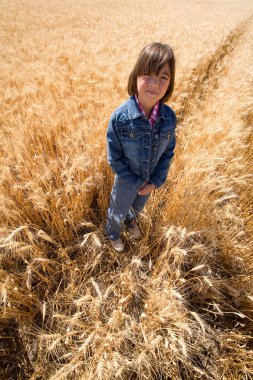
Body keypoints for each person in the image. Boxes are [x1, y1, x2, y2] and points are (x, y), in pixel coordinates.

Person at [105, 42, 177, 252]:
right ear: (135, 76)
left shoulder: (169, 118)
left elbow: (167, 153)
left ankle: (130, 222)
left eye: (163, 77)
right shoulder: (120, 118)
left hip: (149, 181)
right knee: (118, 209)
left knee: (137, 208)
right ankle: (113, 233)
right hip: (126, 180)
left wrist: (155, 182)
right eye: (148, 74)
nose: (155, 83)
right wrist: (135, 181)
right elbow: (114, 158)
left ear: (170, 83)